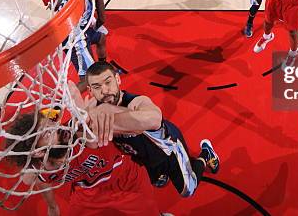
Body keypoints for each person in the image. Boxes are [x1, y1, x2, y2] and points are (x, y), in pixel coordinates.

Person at [83, 61, 220, 198]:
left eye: (108, 82)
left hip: (168, 151)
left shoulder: (136, 102)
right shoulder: (92, 110)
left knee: (188, 191)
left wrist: (110, 111)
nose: (105, 91)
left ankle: (205, 155)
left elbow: (154, 118)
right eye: (97, 87)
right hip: (140, 157)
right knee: (154, 181)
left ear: (118, 80)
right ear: (90, 90)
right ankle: (160, 173)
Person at [5, 99, 161, 216]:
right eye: (47, 133)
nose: (57, 127)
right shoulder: (33, 173)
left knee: (150, 211)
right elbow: (42, 182)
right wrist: (52, 207)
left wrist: (86, 106)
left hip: (124, 176)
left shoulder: (81, 132)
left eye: (52, 124)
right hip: (88, 190)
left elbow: (152, 120)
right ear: (38, 153)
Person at [55, 0, 108, 90]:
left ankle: (102, 64)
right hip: (74, 36)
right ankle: (59, 106)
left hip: (66, 29)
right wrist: (96, 26)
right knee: (88, 80)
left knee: (101, 38)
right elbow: (102, 19)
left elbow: (57, 5)